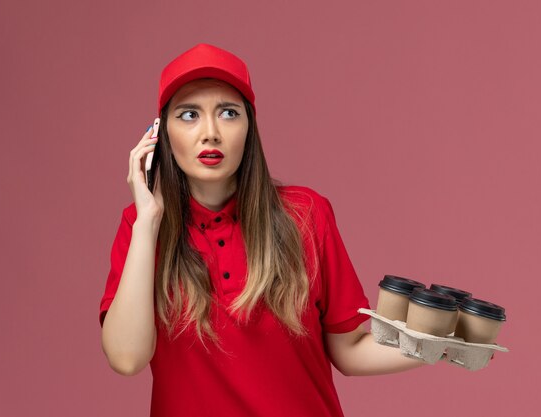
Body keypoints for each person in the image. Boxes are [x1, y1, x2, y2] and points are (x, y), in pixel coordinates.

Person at [99, 43, 425, 417]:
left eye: (228, 113)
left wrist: (437, 345)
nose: (210, 133)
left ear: (249, 127)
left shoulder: (306, 215)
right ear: (161, 133)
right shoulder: (141, 226)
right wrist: (147, 223)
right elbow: (126, 358)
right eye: (189, 114)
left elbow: (349, 350)